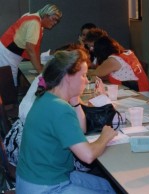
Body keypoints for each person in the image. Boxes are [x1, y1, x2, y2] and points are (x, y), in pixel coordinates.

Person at [16, 49, 117, 193]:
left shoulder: (46, 97)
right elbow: (87, 156)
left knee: (107, 187)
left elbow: (80, 131)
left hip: (34, 179)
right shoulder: (59, 109)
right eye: (83, 75)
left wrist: (75, 101)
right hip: (44, 186)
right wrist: (104, 137)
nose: (87, 80)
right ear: (68, 77)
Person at [0, 4, 62, 86]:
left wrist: (39, 66)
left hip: (8, 55)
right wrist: (40, 71)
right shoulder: (35, 23)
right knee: (8, 87)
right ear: (46, 15)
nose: (54, 23)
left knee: (8, 85)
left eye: (57, 21)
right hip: (7, 56)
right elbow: (31, 50)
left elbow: (36, 48)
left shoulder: (33, 17)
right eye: (54, 19)